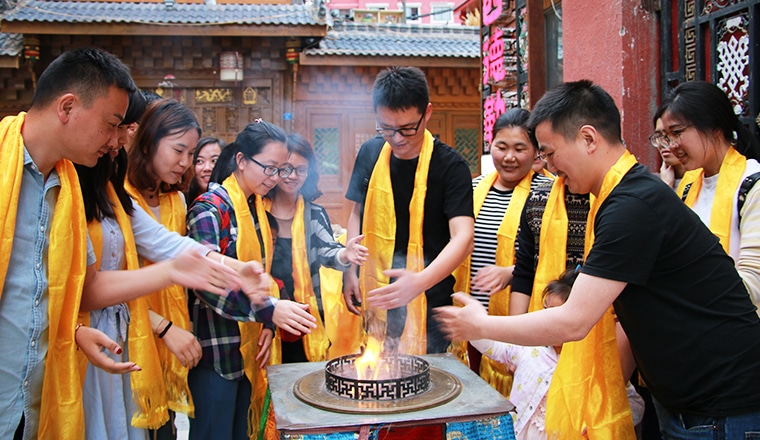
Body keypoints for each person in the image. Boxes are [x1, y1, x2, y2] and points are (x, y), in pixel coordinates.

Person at [435, 80, 760, 439]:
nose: (549, 165)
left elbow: (574, 320)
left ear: (588, 138)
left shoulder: (632, 206)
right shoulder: (622, 196)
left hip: (722, 410)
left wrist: (481, 326)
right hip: (695, 403)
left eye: (550, 153)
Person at [186, 120, 317, 440]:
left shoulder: (256, 208)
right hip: (217, 352)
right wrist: (269, 310)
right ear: (242, 160)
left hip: (251, 352)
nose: (274, 178)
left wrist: (268, 324)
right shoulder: (210, 209)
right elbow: (206, 283)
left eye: (280, 170)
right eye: (269, 168)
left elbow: (264, 276)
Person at [342, 66, 474, 355]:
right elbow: (357, 213)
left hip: (431, 295)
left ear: (427, 113)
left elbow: (463, 238)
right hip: (377, 291)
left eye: (407, 128)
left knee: (428, 375)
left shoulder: (450, 166)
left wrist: (419, 281)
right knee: (378, 367)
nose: (397, 138)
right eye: (386, 128)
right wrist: (351, 270)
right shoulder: (370, 153)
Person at [472, 267, 644, 440]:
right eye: (545, 309)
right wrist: (472, 326)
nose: (547, 320)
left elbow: (633, 403)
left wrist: (599, 420)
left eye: (555, 314)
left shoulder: (594, 366)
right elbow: (495, 346)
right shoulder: (530, 348)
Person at [451, 108, 552, 391]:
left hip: (518, 317)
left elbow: (553, 256)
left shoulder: (548, 193)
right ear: (490, 145)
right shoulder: (471, 189)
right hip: (469, 318)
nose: (509, 157)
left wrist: (510, 272)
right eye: (501, 147)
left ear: (536, 152)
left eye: (520, 149)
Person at [655, 81, 760, 313]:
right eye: (665, 137)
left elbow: (753, 283)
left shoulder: (752, 186)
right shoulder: (688, 186)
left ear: (714, 128)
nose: (671, 146)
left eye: (677, 133)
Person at [266, 133, 368, 364]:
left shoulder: (313, 213)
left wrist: (345, 253)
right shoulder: (257, 211)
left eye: (301, 170)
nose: (293, 176)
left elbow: (327, 250)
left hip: (306, 313)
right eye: (286, 169)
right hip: (267, 312)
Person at [186, 136, 225, 204]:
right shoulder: (181, 202)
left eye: (214, 161)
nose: (207, 168)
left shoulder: (237, 200)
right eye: (199, 161)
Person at [650, 119, 685, 190]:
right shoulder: (649, 183)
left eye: (674, 133)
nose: (662, 143)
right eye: (658, 135)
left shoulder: (705, 181)